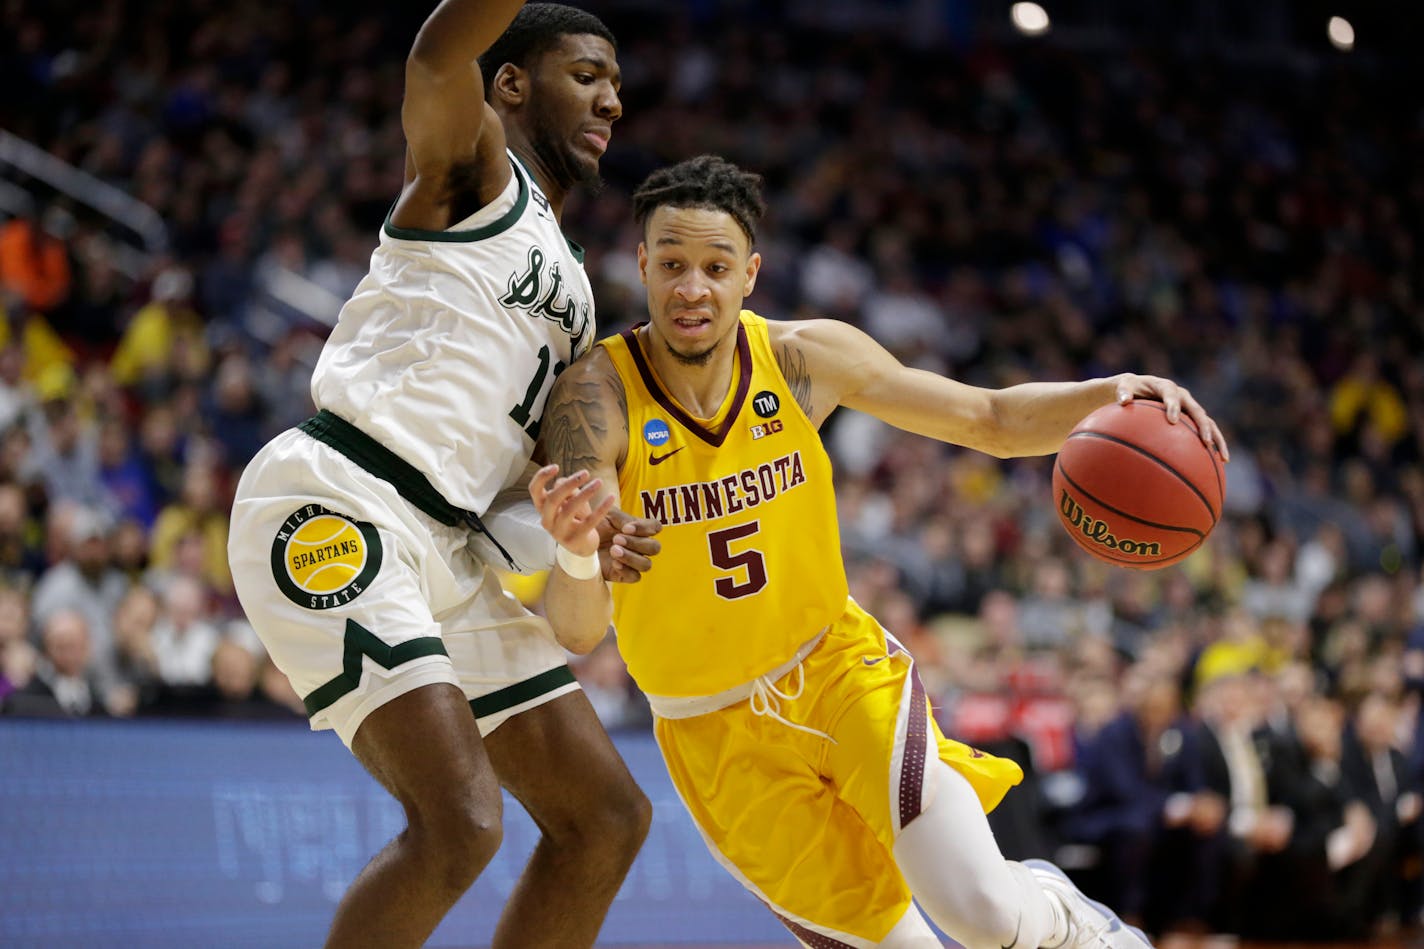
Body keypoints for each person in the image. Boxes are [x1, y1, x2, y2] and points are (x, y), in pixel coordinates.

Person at [529, 155, 1231, 949]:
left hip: (837, 670)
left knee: (981, 911)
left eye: (716, 266)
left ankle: (1069, 918)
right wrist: (581, 551)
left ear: (750, 274)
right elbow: (578, 630)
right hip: (710, 733)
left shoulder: (802, 358)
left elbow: (990, 419)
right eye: (674, 265)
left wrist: (1108, 394)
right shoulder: (595, 398)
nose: (694, 287)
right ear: (644, 265)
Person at [227, 5, 660, 948]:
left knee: (608, 818)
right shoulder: (476, 172)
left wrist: (586, 521)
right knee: (459, 823)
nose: (612, 99)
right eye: (586, 74)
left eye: (616, 83)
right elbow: (435, 53)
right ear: (509, 86)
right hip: (341, 493)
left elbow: (526, 483)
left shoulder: (579, 291)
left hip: (449, 543)